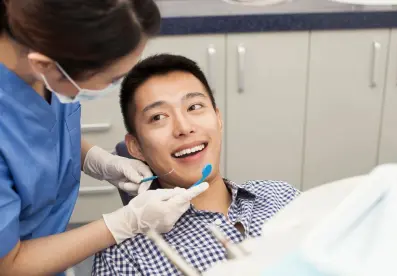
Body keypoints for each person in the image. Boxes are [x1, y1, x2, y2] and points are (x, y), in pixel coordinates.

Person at [0, 1, 208, 275]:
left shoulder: (46, 55)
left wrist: (98, 161)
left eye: (194, 107)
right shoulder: (125, 262)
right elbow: (8, 265)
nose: (184, 128)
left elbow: (46, 133)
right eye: (112, 78)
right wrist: (124, 223)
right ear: (44, 65)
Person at [92, 54, 300, 275]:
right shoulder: (125, 257)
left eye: (194, 107)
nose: (183, 127)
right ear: (136, 147)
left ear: (218, 118)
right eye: (158, 117)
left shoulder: (283, 197)